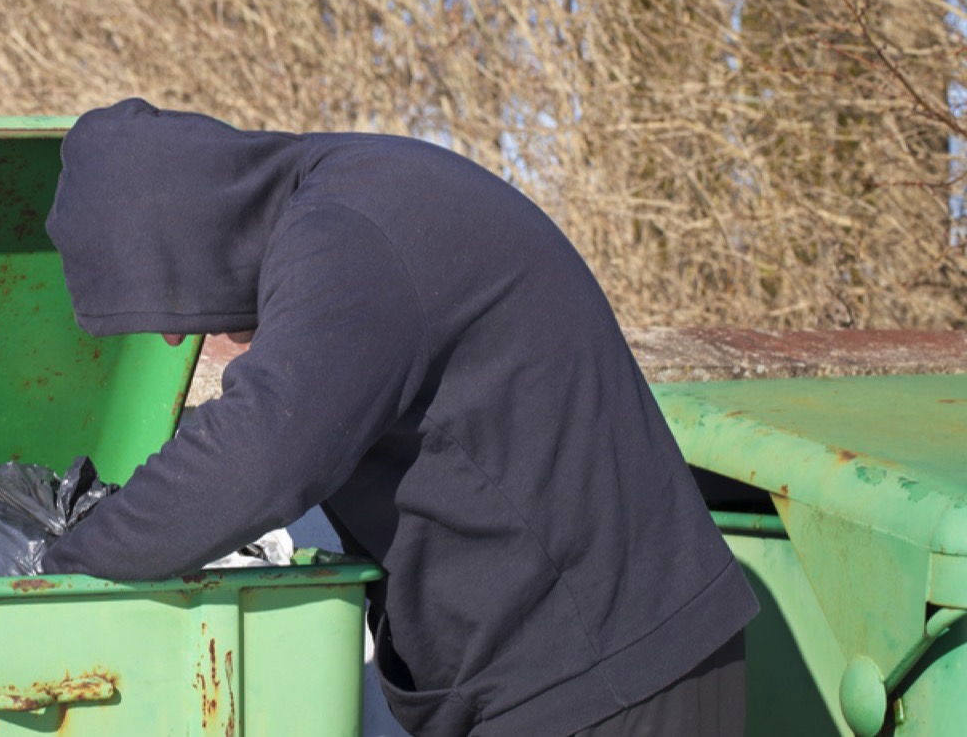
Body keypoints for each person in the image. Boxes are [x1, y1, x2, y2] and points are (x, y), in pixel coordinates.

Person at [39, 98, 758, 737]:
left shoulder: (347, 236)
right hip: (580, 664)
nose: (174, 338)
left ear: (189, 232)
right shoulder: (353, 189)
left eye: (168, 304)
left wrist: (58, 571)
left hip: (602, 677)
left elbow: (260, 453)